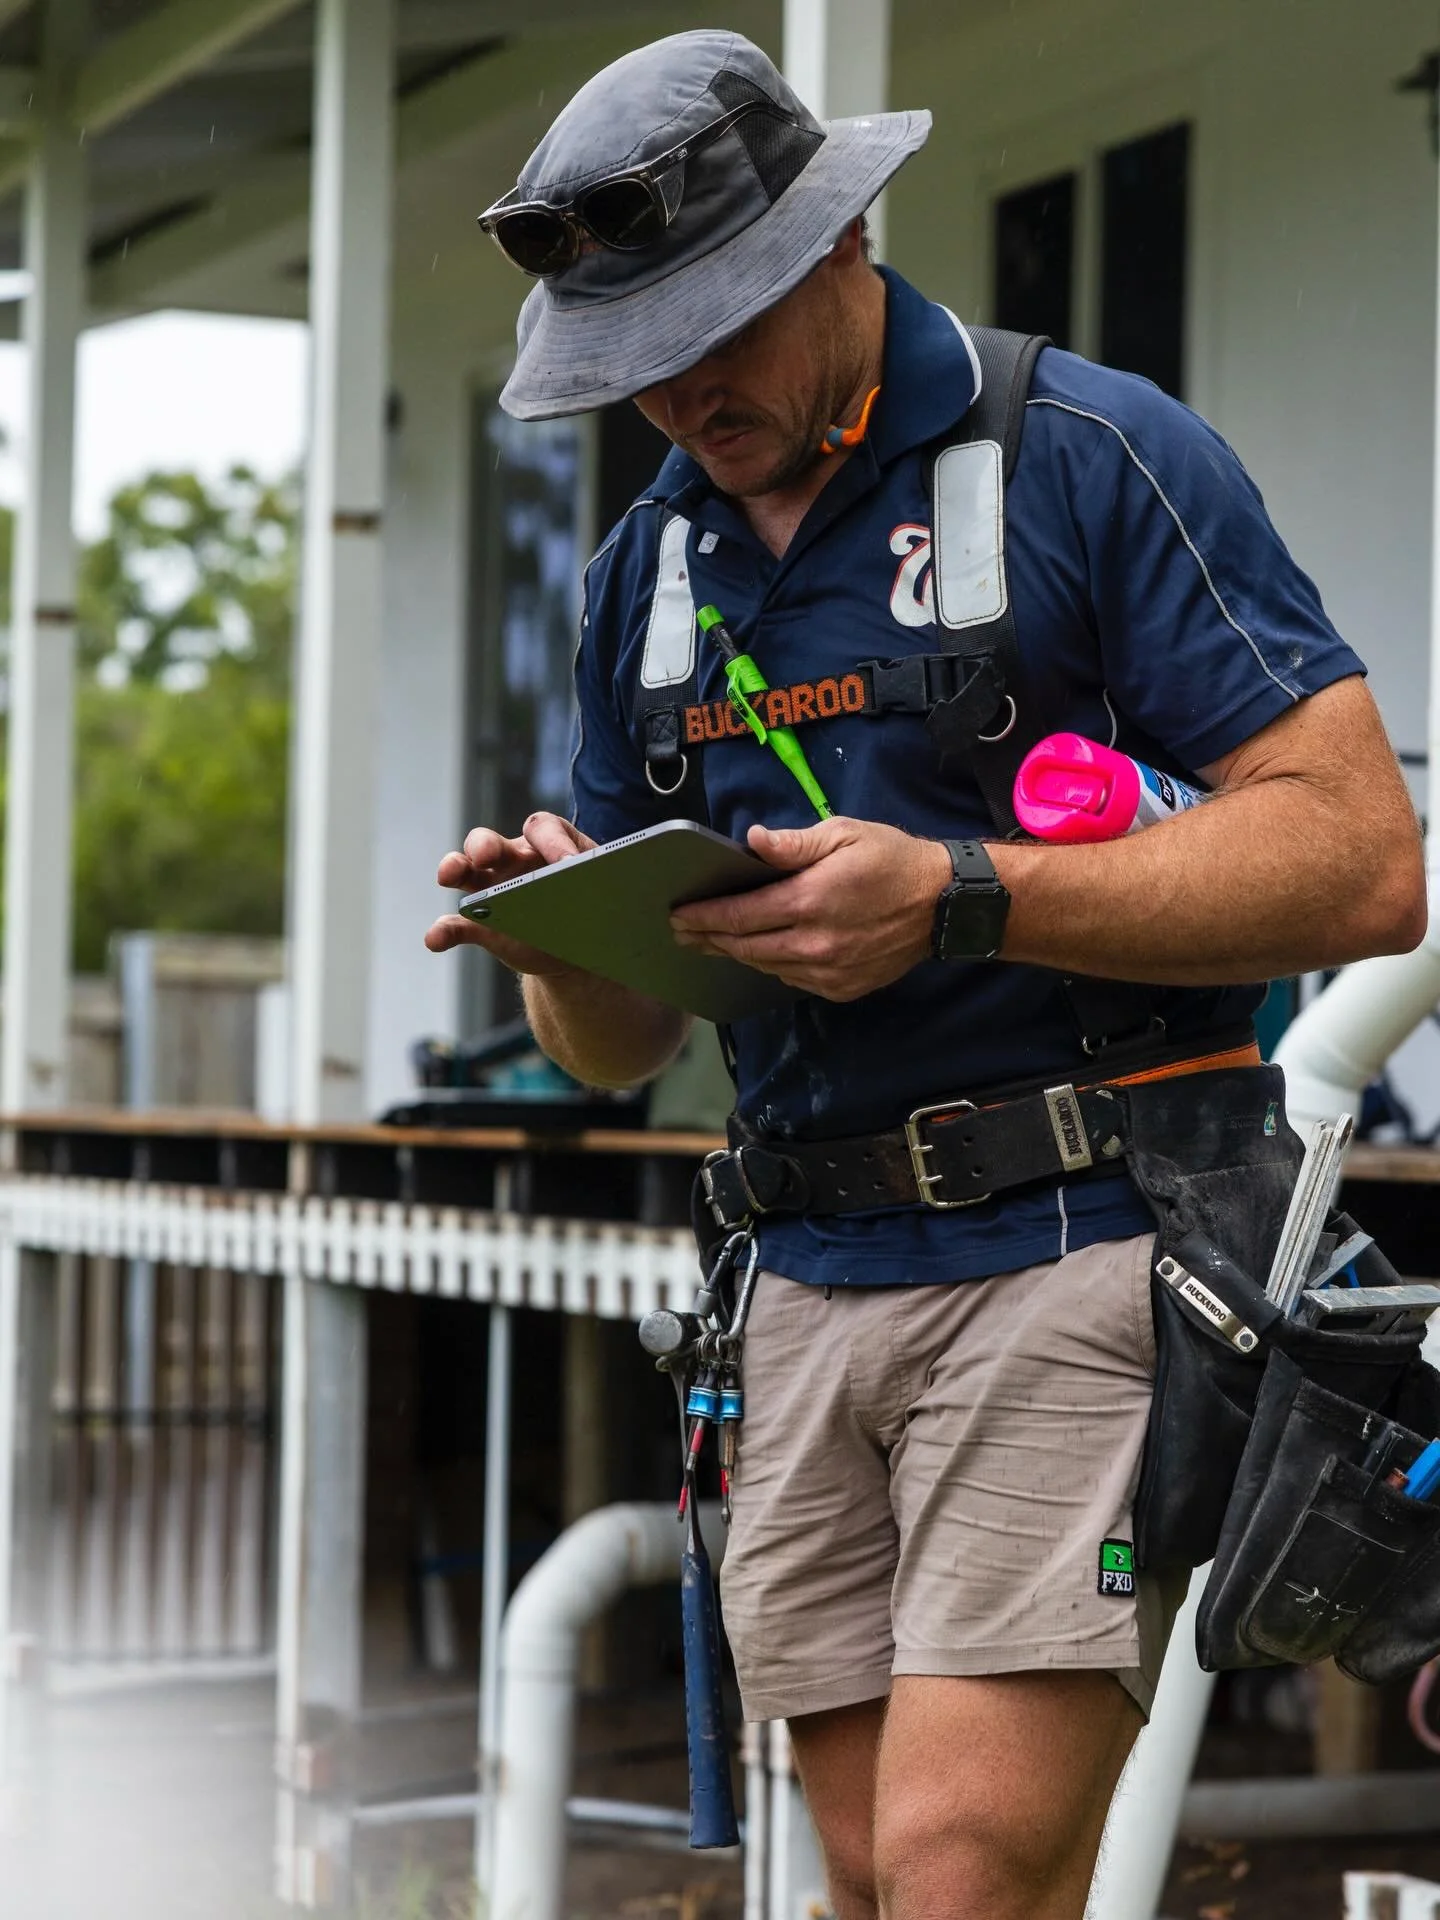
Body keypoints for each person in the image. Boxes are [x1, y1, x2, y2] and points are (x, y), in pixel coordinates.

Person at [426, 29, 1426, 1920]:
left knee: (963, 1876)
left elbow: (1362, 861)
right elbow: (622, 1049)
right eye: (631, 366)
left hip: (1080, 1233)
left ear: (842, 239)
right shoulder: (647, 567)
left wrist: (962, 896)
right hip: (798, 1282)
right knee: (889, 1877)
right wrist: (560, 936)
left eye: (709, 332)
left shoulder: (1096, 452)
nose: (675, 399)